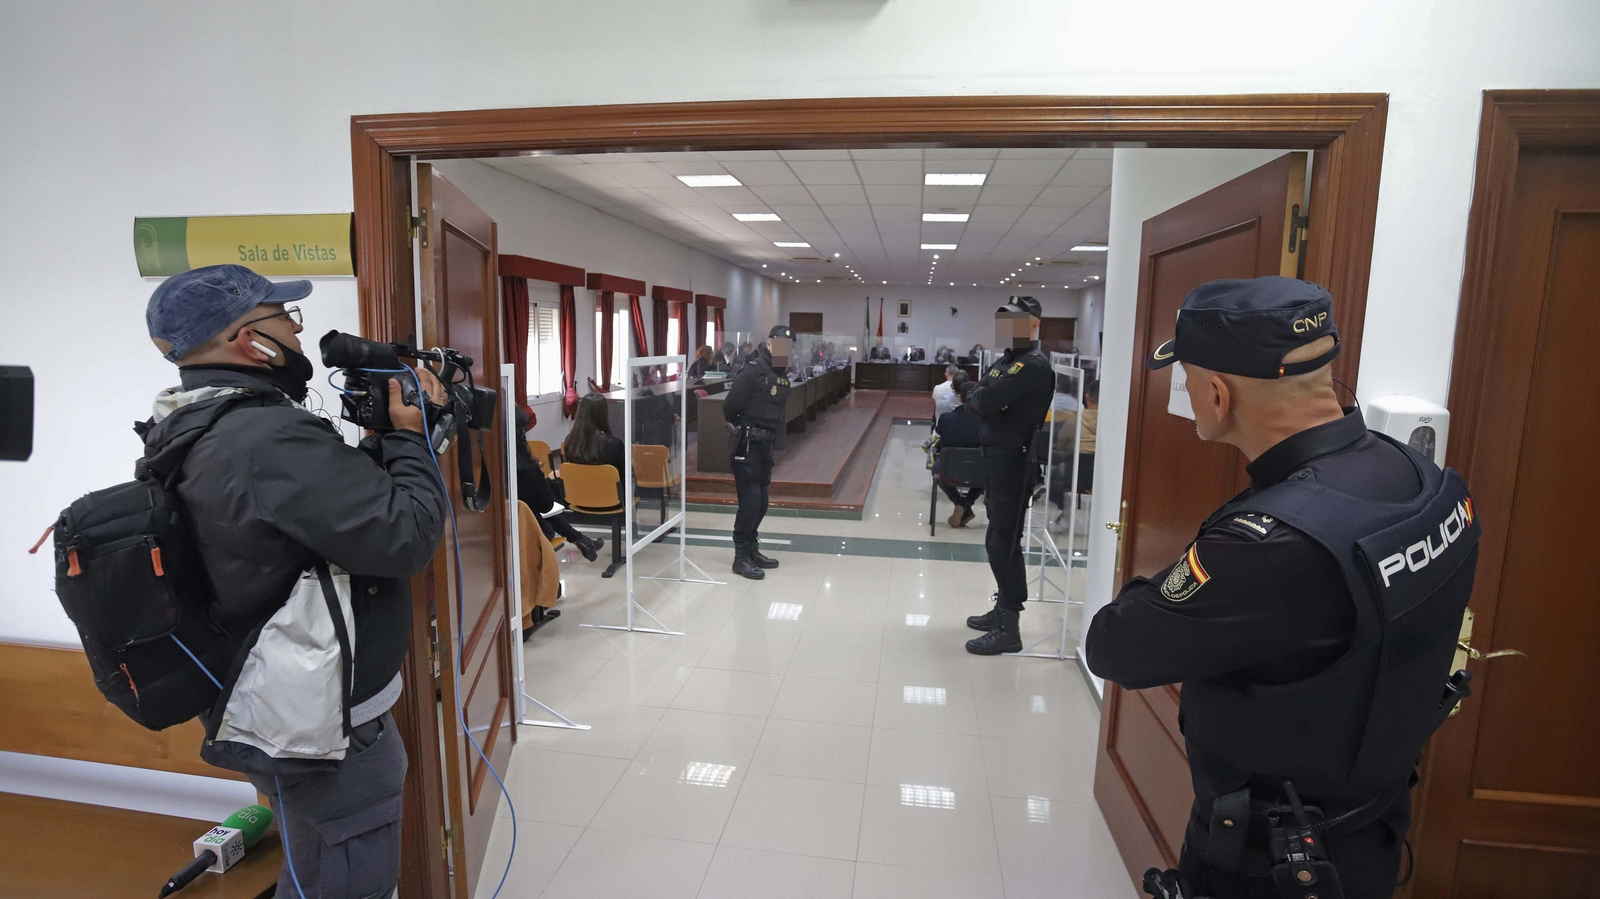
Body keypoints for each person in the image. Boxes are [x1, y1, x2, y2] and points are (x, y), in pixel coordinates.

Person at [1086, 278, 1480, 899]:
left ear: (1218, 393)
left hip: (1269, 863)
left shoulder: (1267, 543)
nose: (1188, 395)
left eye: (1187, 381)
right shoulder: (1415, 475)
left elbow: (1114, 646)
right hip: (1369, 830)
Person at [141, 264, 449, 899]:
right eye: (285, 318)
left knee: (313, 864)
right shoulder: (267, 436)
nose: (297, 332)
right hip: (324, 728)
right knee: (347, 882)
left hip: (272, 699)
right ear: (248, 340)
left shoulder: (196, 421)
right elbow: (407, 536)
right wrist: (413, 441)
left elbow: (312, 522)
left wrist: (383, 445)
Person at [963, 297, 1054, 655]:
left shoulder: (1031, 365)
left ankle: (1008, 626)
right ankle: (1002, 607)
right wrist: (979, 394)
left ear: (1033, 325)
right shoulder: (1006, 361)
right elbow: (978, 393)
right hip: (995, 459)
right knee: (996, 538)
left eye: (1016, 322)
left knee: (1004, 542)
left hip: (1013, 462)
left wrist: (980, 395)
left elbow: (981, 401)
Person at [722, 324, 793, 580]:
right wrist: (743, 428)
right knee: (750, 502)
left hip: (765, 447)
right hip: (747, 445)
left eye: (789, 347)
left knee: (762, 503)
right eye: (781, 345)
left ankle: (752, 548)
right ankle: (740, 557)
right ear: (770, 344)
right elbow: (729, 407)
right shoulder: (752, 371)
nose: (785, 351)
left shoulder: (781, 374)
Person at [513, 406, 602, 560]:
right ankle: (581, 540)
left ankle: (582, 540)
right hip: (530, 531)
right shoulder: (528, 469)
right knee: (545, 512)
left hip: (505, 528)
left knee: (534, 510)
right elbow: (546, 505)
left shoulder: (491, 467)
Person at [933, 380, 983, 527]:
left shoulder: (945, 419)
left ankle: (960, 503)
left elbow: (940, 444)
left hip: (949, 470)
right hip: (978, 471)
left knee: (937, 469)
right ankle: (967, 503)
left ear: (959, 398)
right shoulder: (987, 422)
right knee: (988, 470)